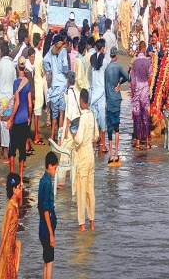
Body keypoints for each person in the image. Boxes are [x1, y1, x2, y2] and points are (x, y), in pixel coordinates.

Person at [0, 173, 23, 279]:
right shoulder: (10, 208)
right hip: (7, 248)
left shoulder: (14, 205)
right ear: (14, 190)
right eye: (19, 187)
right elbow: (5, 233)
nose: (21, 189)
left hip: (11, 246)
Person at [72, 89, 96, 231]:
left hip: (83, 156)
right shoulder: (92, 116)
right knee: (90, 190)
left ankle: (82, 223)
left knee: (81, 191)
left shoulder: (84, 117)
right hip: (91, 155)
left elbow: (79, 139)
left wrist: (74, 137)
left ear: (82, 101)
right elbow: (96, 136)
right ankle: (92, 221)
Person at [104, 47, 129, 165]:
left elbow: (105, 86)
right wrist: (119, 83)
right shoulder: (118, 66)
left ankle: (110, 154)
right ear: (116, 55)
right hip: (117, 99)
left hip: (109, 100)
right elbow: (128, 78)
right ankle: (116, 153)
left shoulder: (107, 68)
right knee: (117, 127)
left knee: (109, 128)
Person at [8, 58, 32, 178]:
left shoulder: (16, 83)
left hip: (17, 120)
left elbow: (16, 103)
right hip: (24, 119)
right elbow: (29, 104)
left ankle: (12, 175)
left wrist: (11, 119)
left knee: (12, 149)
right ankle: (21, 177)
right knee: (22, 149)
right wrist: (29, 117)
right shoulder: (27, 82)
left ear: (18, 67)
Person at [39, 151, 58, 279]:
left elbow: (40, 206)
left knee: (47, 260)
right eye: (55, 168)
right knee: (50, 261)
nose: (56, 171)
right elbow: (46, 209)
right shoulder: (47, 182)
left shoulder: (42, 180)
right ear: (50, 166)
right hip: (47, 227)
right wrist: (51, 234)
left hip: (43, 226)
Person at [130, 41, 152, 149]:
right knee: (145, 116)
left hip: (137, 90)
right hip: (145, 90)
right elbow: (149, 76)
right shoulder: (148, 62)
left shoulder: (134, 62)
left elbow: (132, 80)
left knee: (137, 115)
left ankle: (138, 141)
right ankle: (147, 142)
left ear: (139, 49)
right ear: (145, 49)